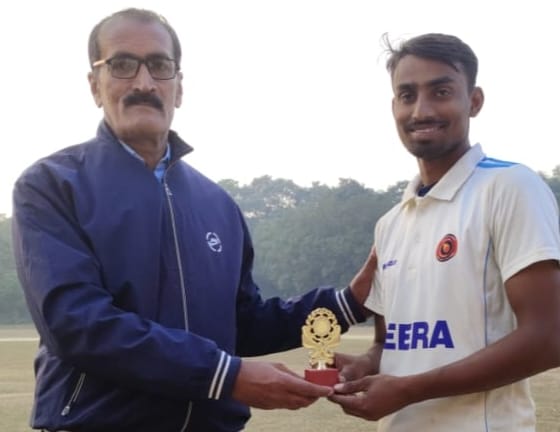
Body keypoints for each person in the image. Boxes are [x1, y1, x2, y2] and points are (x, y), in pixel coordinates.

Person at [10, 8, 377, 432]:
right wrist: (225, 375)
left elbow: (242, 324)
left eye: (159, 66)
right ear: (95, 84)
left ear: (178, 87)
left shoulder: (217, 204)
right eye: (123, 65)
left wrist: (348, 303)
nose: (144, 83)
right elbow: (76, 323)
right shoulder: (52, 185)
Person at [329, 33, 560, 431]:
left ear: (474, 101)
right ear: (394, 107)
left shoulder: (509, 187)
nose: (421, 110)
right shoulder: (391, 223)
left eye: (441, 92)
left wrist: (409, 389)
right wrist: (366, 364)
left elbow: (550, 335)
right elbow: (389, 343)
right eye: (407, 95)